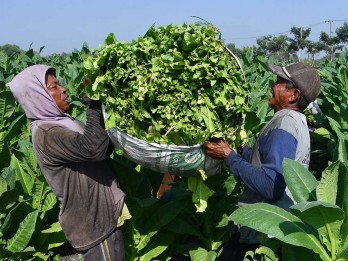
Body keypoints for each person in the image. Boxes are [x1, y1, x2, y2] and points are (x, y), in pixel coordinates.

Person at [7, 65, 131, 261]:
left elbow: (102, 148)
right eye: (54, 87)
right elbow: (93, 149)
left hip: (100, 217)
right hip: (94, 224)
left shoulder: (62, 122)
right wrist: (93, 102)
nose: (63, 89)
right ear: (38, 96)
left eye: (60, 84)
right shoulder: (48, 134)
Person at [204, 62, 321, 260]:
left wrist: (229, 157)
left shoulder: (285, 122)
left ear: (293, 95)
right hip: (273, 230)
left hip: (262, 236)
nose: (273, 86)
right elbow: (271, 164)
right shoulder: (297, 121)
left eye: (280, 82)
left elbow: (270, 185)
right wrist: (240, 151)